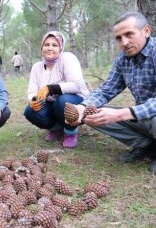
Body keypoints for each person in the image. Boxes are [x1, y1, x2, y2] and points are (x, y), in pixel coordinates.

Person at [66, 11, 156, 174]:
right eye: (119, 38)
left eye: (129, 34)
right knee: (92, 114)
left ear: (146, 31)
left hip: (150, 116)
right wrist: (83, 107)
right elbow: (107, 89)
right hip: (144, 118)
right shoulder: (123, 59)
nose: (124, 42)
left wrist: (123, 114)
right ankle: (147, 146)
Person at [24, 31, 89, 149]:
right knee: (30, 111)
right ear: (41, 47)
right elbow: (31, 90)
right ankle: (57, 128)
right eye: (46, 44)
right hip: (52, 103)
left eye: (54, 45)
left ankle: (71, 131)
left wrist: (50, 88)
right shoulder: (37, 67)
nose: (50, 48)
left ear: (61, 47)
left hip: (77, 101)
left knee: (62, 101)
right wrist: (33, 99)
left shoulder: (67, 58)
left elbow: (76, 86)